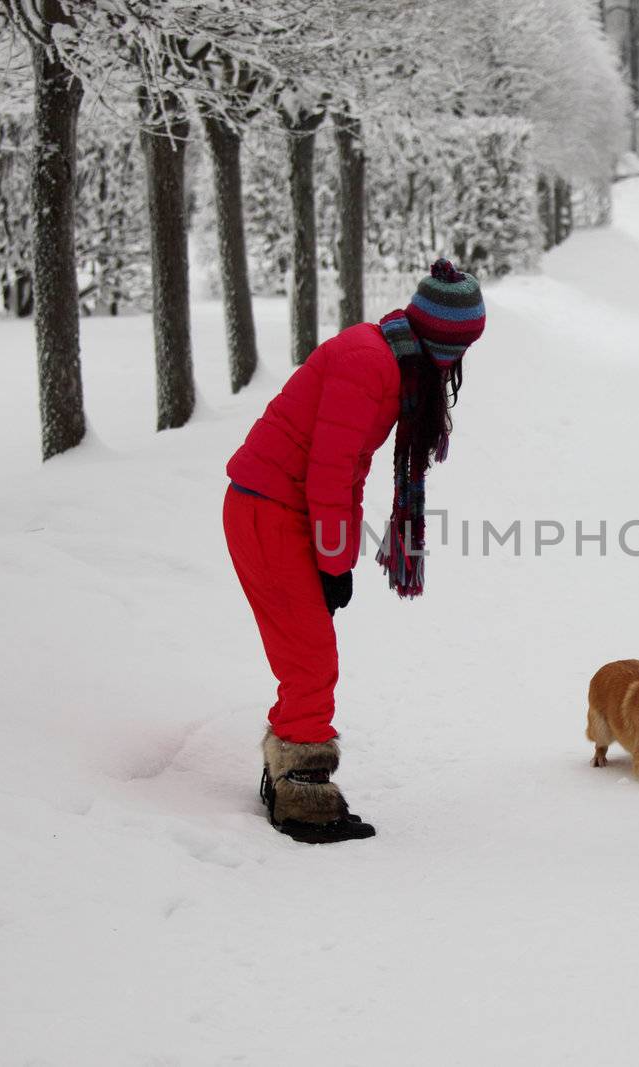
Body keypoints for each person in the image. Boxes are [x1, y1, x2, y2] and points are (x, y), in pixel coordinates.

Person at [223, 259, 485, 844]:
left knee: (308, 653)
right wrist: (333, 564)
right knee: (310, 657)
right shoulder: (370, 364)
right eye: (461, 349)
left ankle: (286, 775)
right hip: (268, 510)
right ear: (443, 340)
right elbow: (331, 472)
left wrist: (333, 558)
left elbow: (349, 474)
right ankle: (302, 797)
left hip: (282, 509)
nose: (458, 365)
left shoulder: (388, 357)